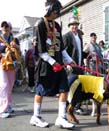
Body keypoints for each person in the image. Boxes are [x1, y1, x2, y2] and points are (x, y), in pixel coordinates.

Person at [29, 0, 75, 129]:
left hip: (58, 64)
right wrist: (52, 62)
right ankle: (36, 117)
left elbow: (61, 48)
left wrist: (69, 60)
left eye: (58, 11)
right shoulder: (40, 25)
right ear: (49, 10)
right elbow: (40, 50)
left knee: (64, 89)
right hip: (45, 65)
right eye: (55, 11)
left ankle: (61, 117)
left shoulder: (57, 26)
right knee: (41, 91)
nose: (57, 14)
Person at [62, 15, 85, 114]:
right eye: (72, 25)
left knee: (81, 86)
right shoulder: (66, 36)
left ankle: (77, 106)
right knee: (70, 86)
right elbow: (64, 52)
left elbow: (80, 51)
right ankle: (66, 107)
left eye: (76, 24)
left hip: (79, 65)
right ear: (69, 26)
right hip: (71, 66)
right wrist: (67, 63)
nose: (74, 26)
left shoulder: (79, 36)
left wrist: (88, 54)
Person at [0, 21, 18, 118]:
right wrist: (5, 49)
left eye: (7, 26)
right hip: (2, 63)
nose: (5, 28)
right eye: (3, 26)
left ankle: (8, 105)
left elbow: (18, 50)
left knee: (10, 86)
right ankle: (2, 109)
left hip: (12, 64)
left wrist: (15, 47)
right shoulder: (0, 39)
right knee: (4, 85)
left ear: (10, 28)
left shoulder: (14, 39)